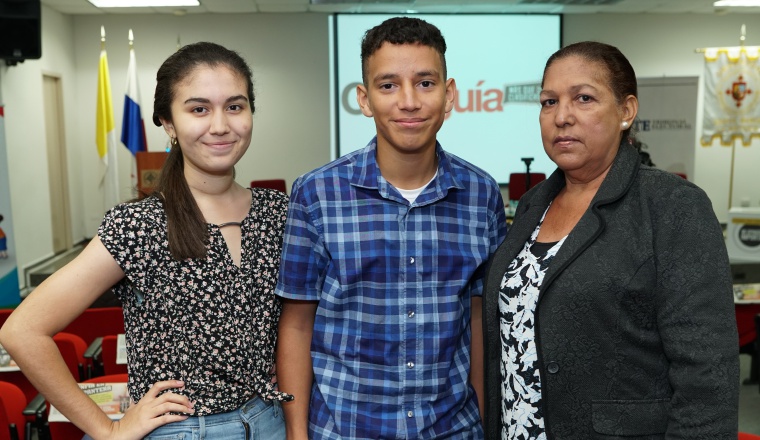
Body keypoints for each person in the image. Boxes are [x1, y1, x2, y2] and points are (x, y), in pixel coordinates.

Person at [0, 41, 290, 439]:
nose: (221, 125)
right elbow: (22, 331)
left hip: (272, 420)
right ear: (168, 123)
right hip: (186, 430)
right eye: (199, 109)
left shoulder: (280, 213)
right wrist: (107, 429)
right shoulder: (138, 224)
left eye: (235, 106)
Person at [482, 41, 739, 439]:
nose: (561, 117)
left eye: (583, 98)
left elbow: (708, 375)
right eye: (548, 102)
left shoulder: (672, 205)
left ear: (626, 111)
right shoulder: (534, 205)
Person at [275, 16, 507, 440]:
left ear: (449, 94)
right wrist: (296, 434)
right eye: (388, 85)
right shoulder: (316, 194)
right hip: (346, 430)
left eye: (425, 83)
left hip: (453, 430)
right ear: (364, 99)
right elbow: (296, 325)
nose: (408, 101)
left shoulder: (481, 194)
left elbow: (478, 322)